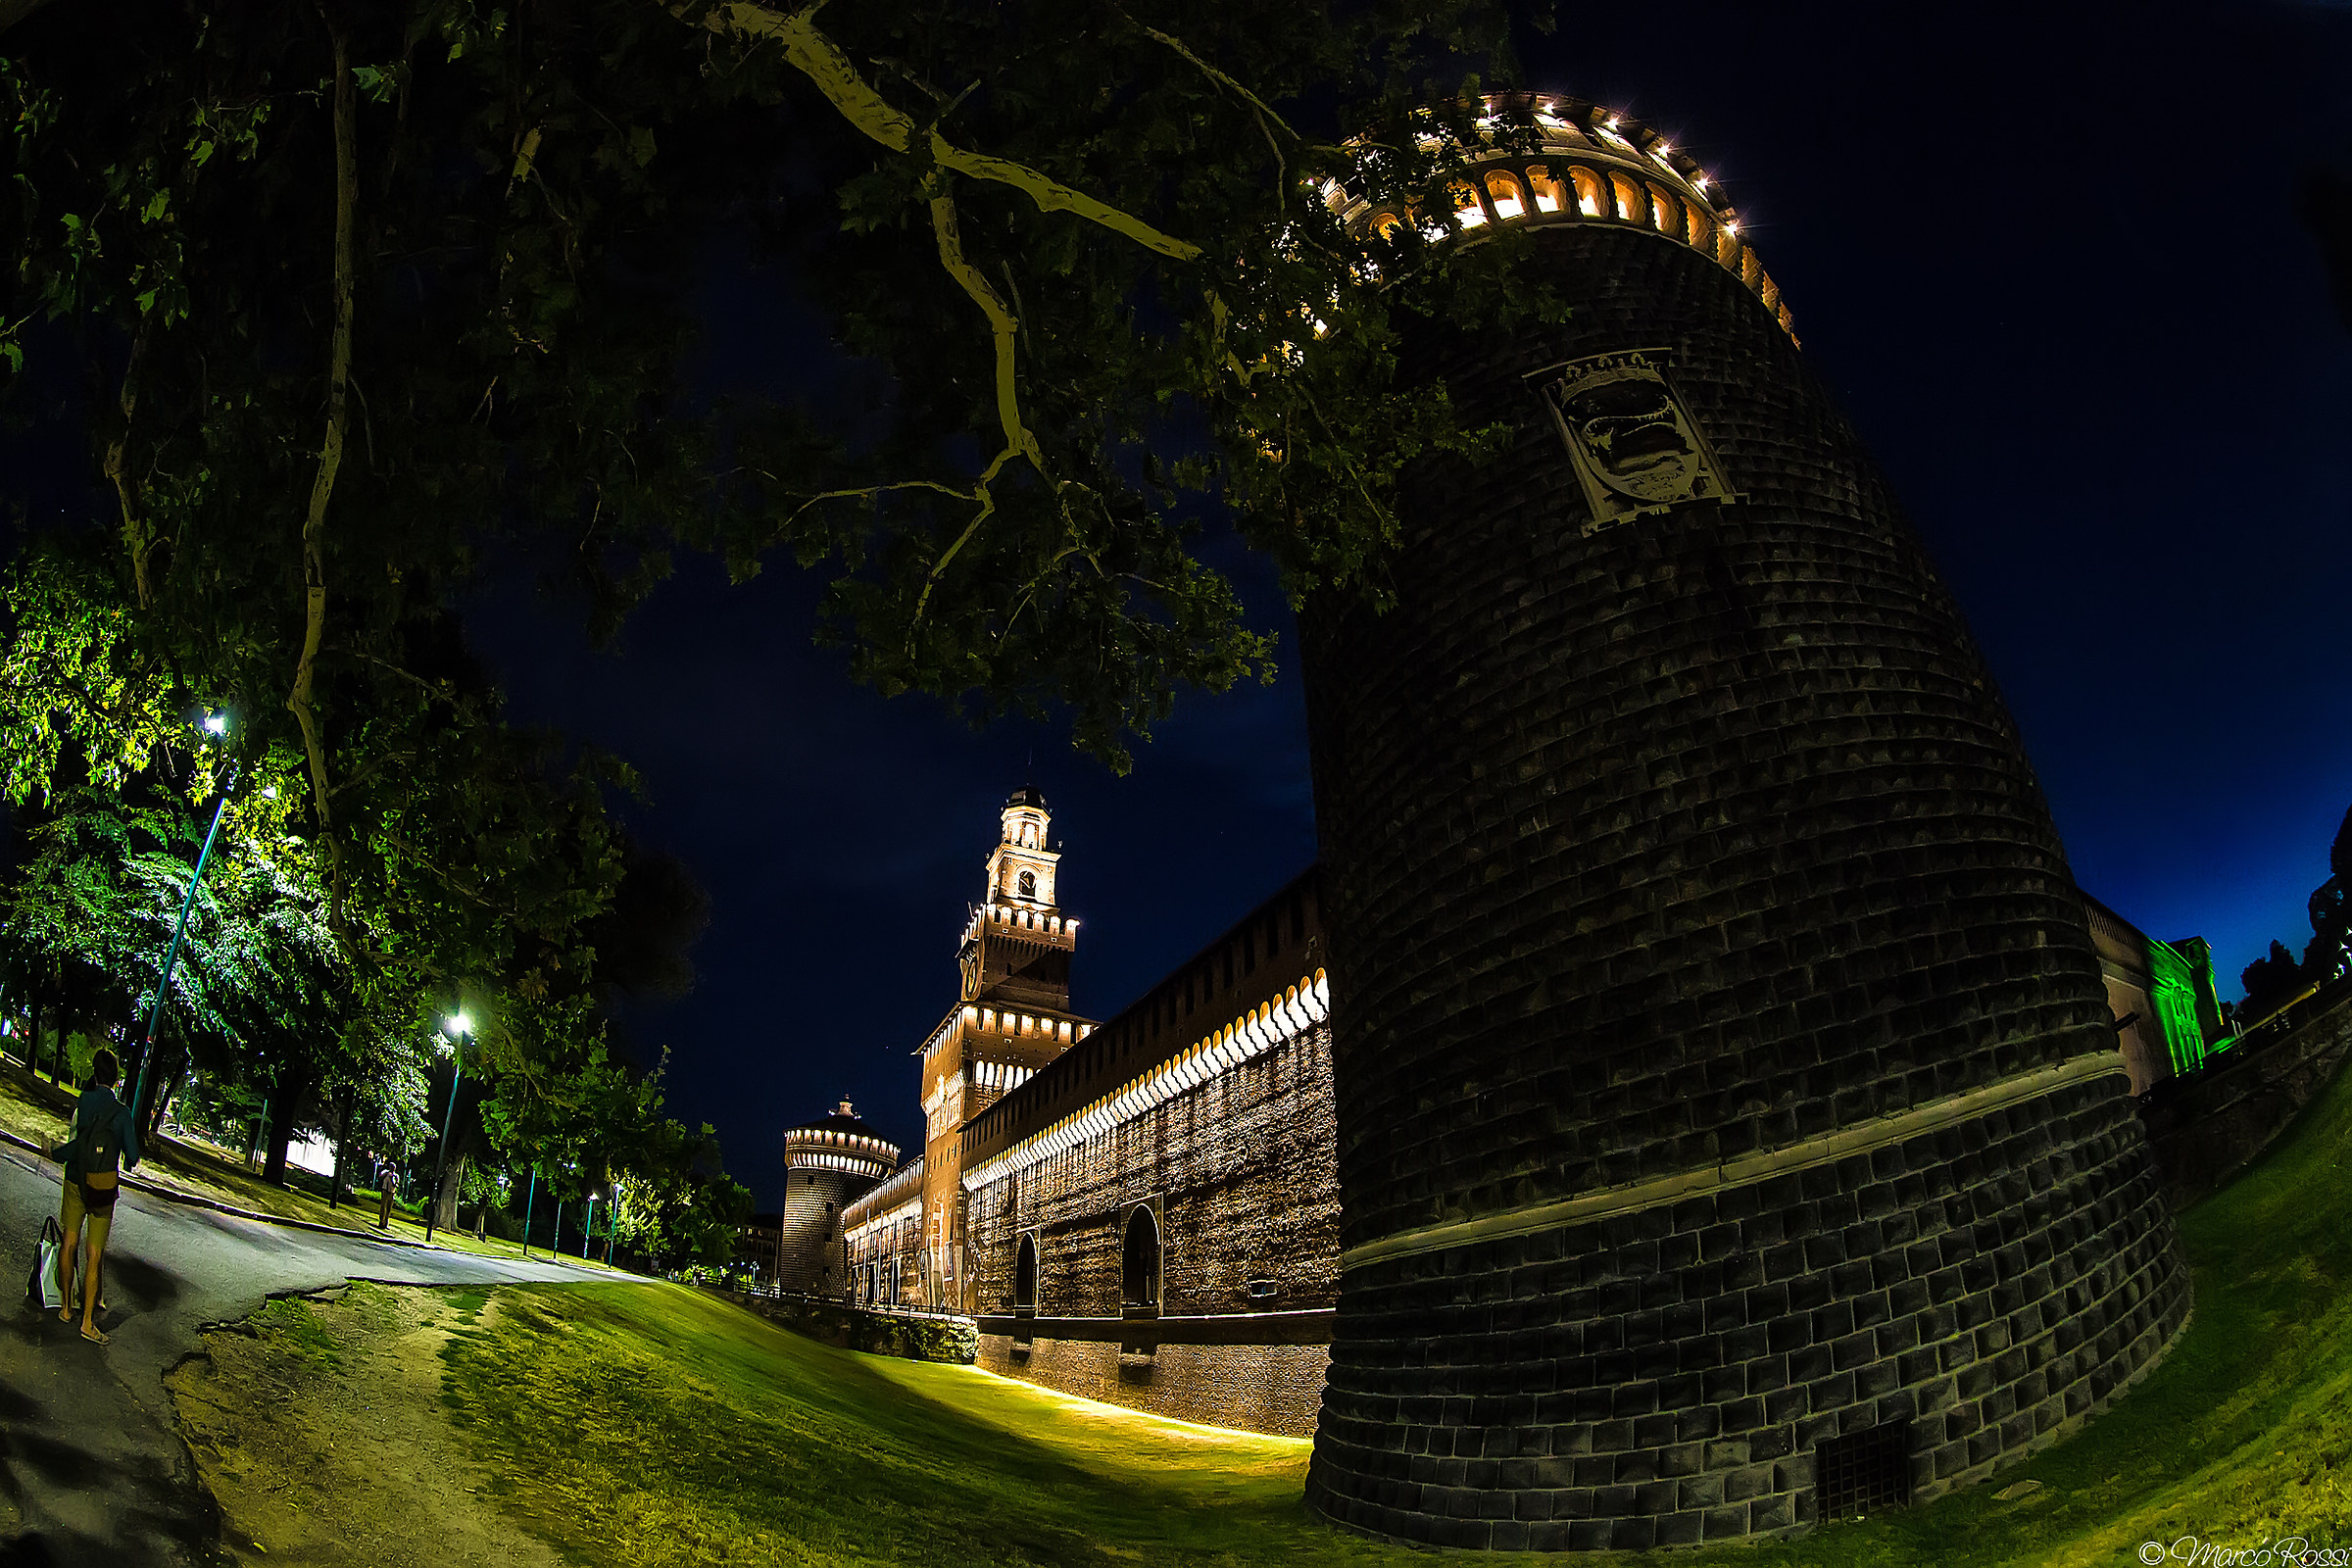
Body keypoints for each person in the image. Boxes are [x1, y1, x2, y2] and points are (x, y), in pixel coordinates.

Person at [57, 1049, 140, 1345]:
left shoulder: (84, 1101)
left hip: (75, 1179)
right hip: (102, 1189)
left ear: (94, 1074)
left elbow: (76, 1138)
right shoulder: (122, 1113)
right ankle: (88, 1322)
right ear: (116, 1079)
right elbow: (132, 1156)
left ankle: (66, 1309)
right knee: (94, 1254)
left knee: (69, 1242)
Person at [375, 1159, 401, 1230]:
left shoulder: (396, 1176)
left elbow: (397, 1184)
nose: (392, 1168)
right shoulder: (386, 1173)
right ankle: (381, 1222)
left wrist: (394, 1181)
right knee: (383, 1207)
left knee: (389, 1209)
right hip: (385, 1191)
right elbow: (380, 1176)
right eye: (391, 1167)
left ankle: (386, 1223)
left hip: (391, 1192)